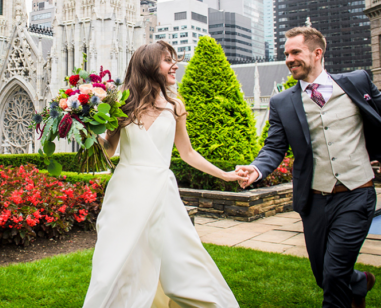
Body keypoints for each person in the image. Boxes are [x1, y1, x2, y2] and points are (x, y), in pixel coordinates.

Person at [82, 41, 243, 308]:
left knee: (184, 260)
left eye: (174, 59)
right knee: (113, 264)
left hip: (161, 192)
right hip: (125, 194)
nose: (175, 65)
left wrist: (225, 175)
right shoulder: (121, 106)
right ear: (148, 64)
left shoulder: (176, 106)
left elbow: (188, 153)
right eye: (168, 60)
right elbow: (109, 152)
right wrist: (88, 127)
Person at [236, 27, 380, 308]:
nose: (288, 59)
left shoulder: (357, 81)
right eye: (286, 54)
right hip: (314, 199)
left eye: (295, 52)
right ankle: (359, 282)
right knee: (323, 274)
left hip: (356, 194)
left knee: (334, 275)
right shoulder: (281, 102)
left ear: (317, 53)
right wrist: (257, 169)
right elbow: (274, 147)